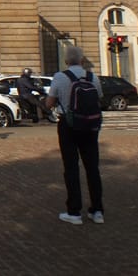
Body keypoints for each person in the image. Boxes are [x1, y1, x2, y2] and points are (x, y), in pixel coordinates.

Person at [47, 46, 104, 225]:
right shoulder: (92, 77)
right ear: (82, 60)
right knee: (93, 168)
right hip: (90, 125)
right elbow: (99, 98)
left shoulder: (60, 77)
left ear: (66, 61)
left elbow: (50, 102)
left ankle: (74, 212)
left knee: (71, 168)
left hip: (69, 125)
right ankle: (97, 211)